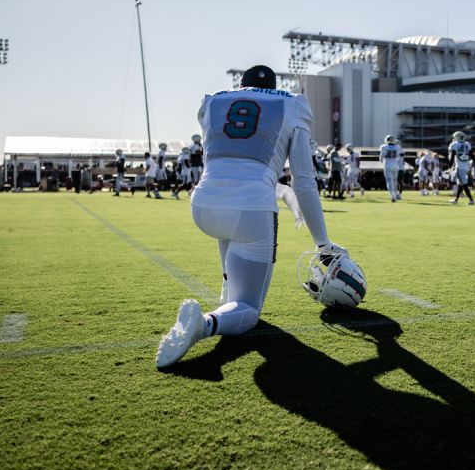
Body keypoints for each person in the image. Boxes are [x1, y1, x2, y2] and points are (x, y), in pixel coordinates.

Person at [155, 65, 348, 368]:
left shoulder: (214, 101)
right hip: (250, 207)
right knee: (248, 308)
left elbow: (222, 162)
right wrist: (323, 244)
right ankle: (205, 325)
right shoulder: (290, 104)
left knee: (232, 230)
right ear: (273, 87)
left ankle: (226, 292)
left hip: (204, 204)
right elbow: (304, 182)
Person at [447, 131, 475, 206]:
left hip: (460, 167)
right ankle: (456, 199)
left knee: (464, 184)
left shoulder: (454, 145)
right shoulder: (467, 144)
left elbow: (452, 156)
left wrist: (450, 166)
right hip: (466, 167)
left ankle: (471, 200)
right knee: (460, 184)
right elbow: (472, 155)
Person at [380, 134, 404, 202]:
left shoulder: (383, 147)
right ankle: (395, 194)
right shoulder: (397, 147)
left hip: (388, 165)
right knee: (395, 181)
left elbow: (381, 157)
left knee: (389, 181)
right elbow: (399, 157)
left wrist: (383, 162)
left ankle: (393, 195)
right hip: (395, 166)